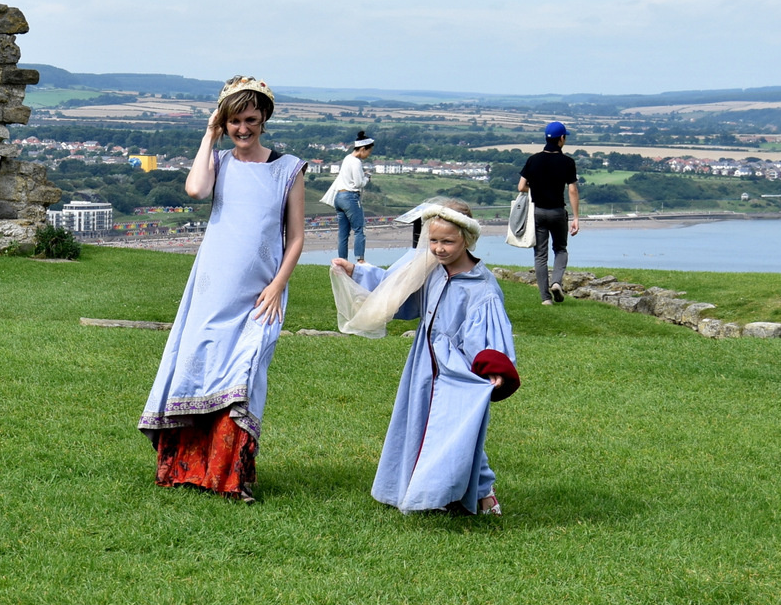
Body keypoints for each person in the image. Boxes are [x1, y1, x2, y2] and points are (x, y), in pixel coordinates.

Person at [139, 75, 306, 502]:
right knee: (202, 369)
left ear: (265, 119)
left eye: (250, 119)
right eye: (234, 121)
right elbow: (195, 189)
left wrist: (278, 285)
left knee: (245, 377)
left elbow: (297, 236)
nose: (243, 128)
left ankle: (233, 477)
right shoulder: (221, 162)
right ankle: (191, 469)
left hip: (260, 295)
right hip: (212, 288)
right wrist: (209, 133)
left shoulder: (289, 168)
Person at [332, 199, 519, 515]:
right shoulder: (431, 269)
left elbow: (489, 335)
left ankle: (483, 493)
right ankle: (435, 494)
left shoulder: (482, 288)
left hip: (459, 371)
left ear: (466, 239)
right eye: (434, 241)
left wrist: (492, 368)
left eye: (448, 241)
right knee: (423, 426)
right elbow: (397, 290)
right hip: (424, 364)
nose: (440, 248)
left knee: (459, 430)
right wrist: (357, 273)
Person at [518, 120, 581, 305]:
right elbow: (572, 190)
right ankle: (556, 282)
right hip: (557, 212)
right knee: (560, 249)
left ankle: (545, 298)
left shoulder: (533, 160)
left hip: (538, 212)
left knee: (540, 255)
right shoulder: (567, 162)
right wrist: (576, 217)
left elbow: (521, 186)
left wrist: (537, 188)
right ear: (561, 138)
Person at [321, 130, 375, 262]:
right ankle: (360, 260)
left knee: (343, 233)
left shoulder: (347, 159)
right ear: (362, 149)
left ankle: (342, 261)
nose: (368, 155)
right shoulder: (356, 162)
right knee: (359, 229)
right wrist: (367, 177)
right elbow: (358, 184)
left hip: (339, 197)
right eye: (368, 151)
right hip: (350, 197)